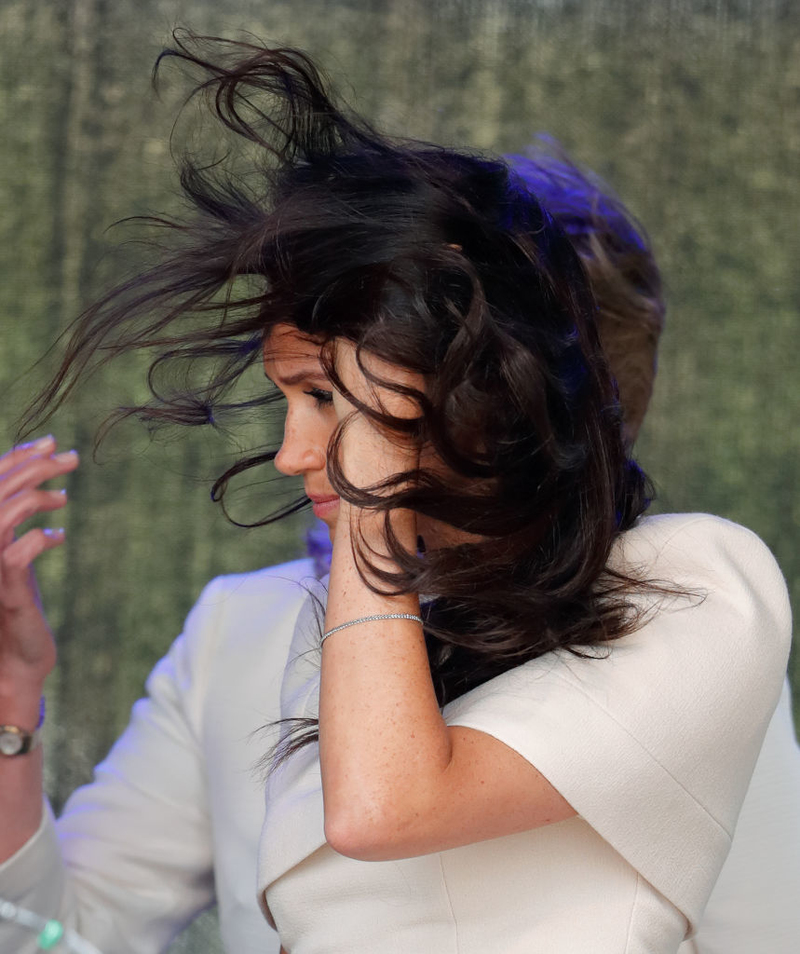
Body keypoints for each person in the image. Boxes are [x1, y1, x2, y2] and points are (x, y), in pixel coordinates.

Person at [0, 37, 794, 954]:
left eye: (331, 397)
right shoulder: (296, 625)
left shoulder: (692, 586)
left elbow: (382, 807)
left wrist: (366, 495)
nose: (294, 454)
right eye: (294, 397)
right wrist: (13, 707)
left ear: (479, 384)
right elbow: (53, 936)